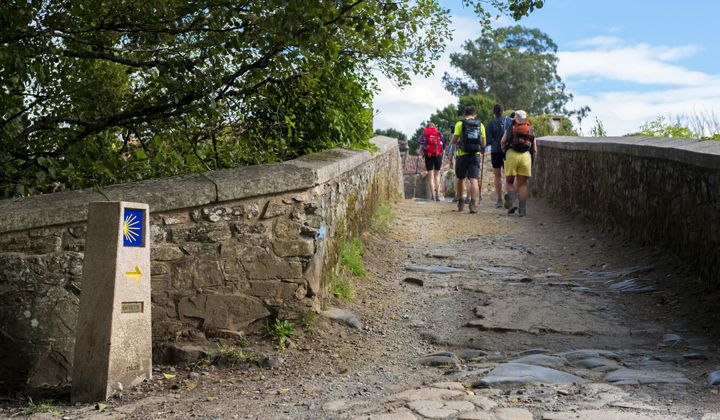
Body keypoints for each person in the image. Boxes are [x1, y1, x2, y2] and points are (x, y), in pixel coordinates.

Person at [501, 110, 537, 217]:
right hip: (525, 156)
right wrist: (533, 161)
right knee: (522, 184)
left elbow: (502, 141)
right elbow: (534, 149)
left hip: (511, 155)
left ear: (515, 118)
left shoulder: (511, 127)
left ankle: (511, 203)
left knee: (509, 182)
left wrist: (504, 151)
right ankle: (522, 210)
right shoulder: (530, 129)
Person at [451, 106, 486, 213]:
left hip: (462, 154)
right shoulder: (480, 125)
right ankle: (473, 204)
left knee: (460, 178)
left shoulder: (460, 124)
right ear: (475, 115)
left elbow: (453, 141)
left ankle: (461, 202)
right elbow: (484, 143)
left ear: (464, 115)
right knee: (473, 179)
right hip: (475, 154)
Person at [487, 104, 512, 208]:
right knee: (508, 176)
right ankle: (510, 198)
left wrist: (495, 142)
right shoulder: (509, 121)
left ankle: (499, 200)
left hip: (496, 151)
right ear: (503, 111)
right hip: (507, 151)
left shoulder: (491, 123)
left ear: (494, 112)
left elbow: (488, 140)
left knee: (497, 176)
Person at [419, 123, 445, 201]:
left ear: (426, 128)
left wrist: (421, 154)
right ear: (435, 127)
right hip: (438, 155)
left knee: (430, 176)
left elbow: (421, 147)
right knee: (437, 175)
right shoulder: (439, 134)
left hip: (428, 156)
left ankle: (432, 196)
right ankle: (437, 195)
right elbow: (443, 146)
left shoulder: (424, 135)